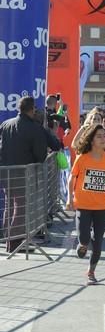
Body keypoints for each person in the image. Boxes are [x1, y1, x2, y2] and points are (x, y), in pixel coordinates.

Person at [66, 124, 105, 285]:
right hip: (83, 204)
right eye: (99, 136)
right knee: (84, 237)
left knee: (98, 240)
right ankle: (83, 244)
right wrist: (69, 199)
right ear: (91, 140)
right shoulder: (82, 158)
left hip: (101, 206)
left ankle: (91, 271)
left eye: (104, 136)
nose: (103, 139)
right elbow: (72, 179)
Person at [0, 96, 48, 253]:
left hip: (6, 171)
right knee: (20, 207)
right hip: (24, 172)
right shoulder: (34, 128)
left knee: (9, 205)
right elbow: (40, 154)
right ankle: (15, 243)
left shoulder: (6, 124)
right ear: (32, 109)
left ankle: (9, 240)